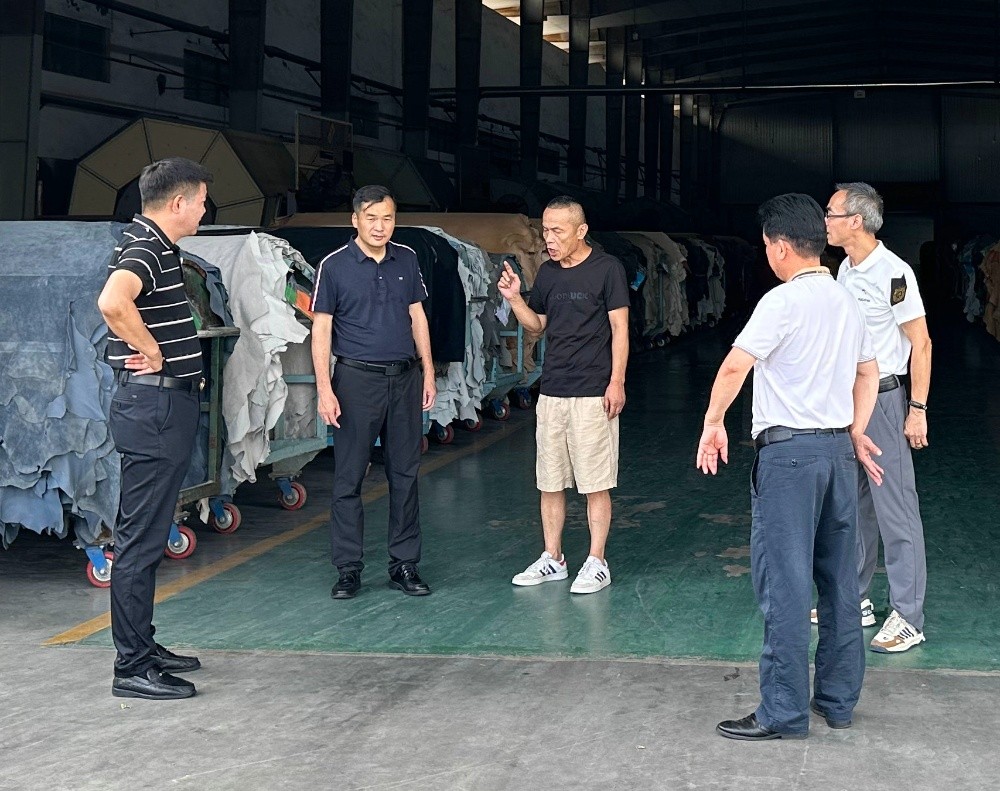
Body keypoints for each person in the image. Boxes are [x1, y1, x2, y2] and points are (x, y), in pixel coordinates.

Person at [696, 193, 882, 740]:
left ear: (779, 247)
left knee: (786, 584)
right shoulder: (847, 300)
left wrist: (712, 422)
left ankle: (783, 711)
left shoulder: (781, 301)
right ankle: (837, 701)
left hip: (789, 460)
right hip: (837, 455)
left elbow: (735, 367)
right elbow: (868, 373)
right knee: (840, 582)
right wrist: (855, 430)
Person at [97, 157, 212, 700]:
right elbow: (112, 301)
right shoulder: (146, 245)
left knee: (148, 534)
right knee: (140, 540)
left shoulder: (156, 244)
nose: (205, 210)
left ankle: (143, 644)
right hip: (154, 408)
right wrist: (153, 350)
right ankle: (132, 666)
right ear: (178, 203)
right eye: (202, 202)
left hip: (162, 409)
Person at [310, 185, 436, 599]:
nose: (380, 226)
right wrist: (325, 389)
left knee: (405, 474)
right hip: (355, 382)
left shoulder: (408, 258)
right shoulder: (334, 265)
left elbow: (417, 315)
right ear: (355, 220)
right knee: (349, 476)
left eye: (388, 218)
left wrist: (429, 371)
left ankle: (404, 565)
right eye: (371, 218)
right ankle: (348, 568)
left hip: (405, 379)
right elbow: (321, 329)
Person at [499, 197, 629, 595]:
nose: (549, 239)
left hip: (593, 392)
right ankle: (553, 558)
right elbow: (537, 325)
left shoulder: (608, 269)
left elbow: (620, 329)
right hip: (552, 391)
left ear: (581, 231)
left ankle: (597, 561)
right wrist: (515, 298)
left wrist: (617, 381)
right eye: (545, 231)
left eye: (557, 231)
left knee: (595, 482)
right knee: (549, 481)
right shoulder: (548, 273)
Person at [824, 182, 932, 653]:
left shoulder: (894, 273)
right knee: (856, 502)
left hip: (885, 400)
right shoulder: (845, 269)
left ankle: (908, 616)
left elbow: (921, 343)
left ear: (856, 221)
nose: (825, 222)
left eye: (831, 213)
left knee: (896, 508)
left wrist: (917, 409)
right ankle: (857, 598)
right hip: (850, 400)